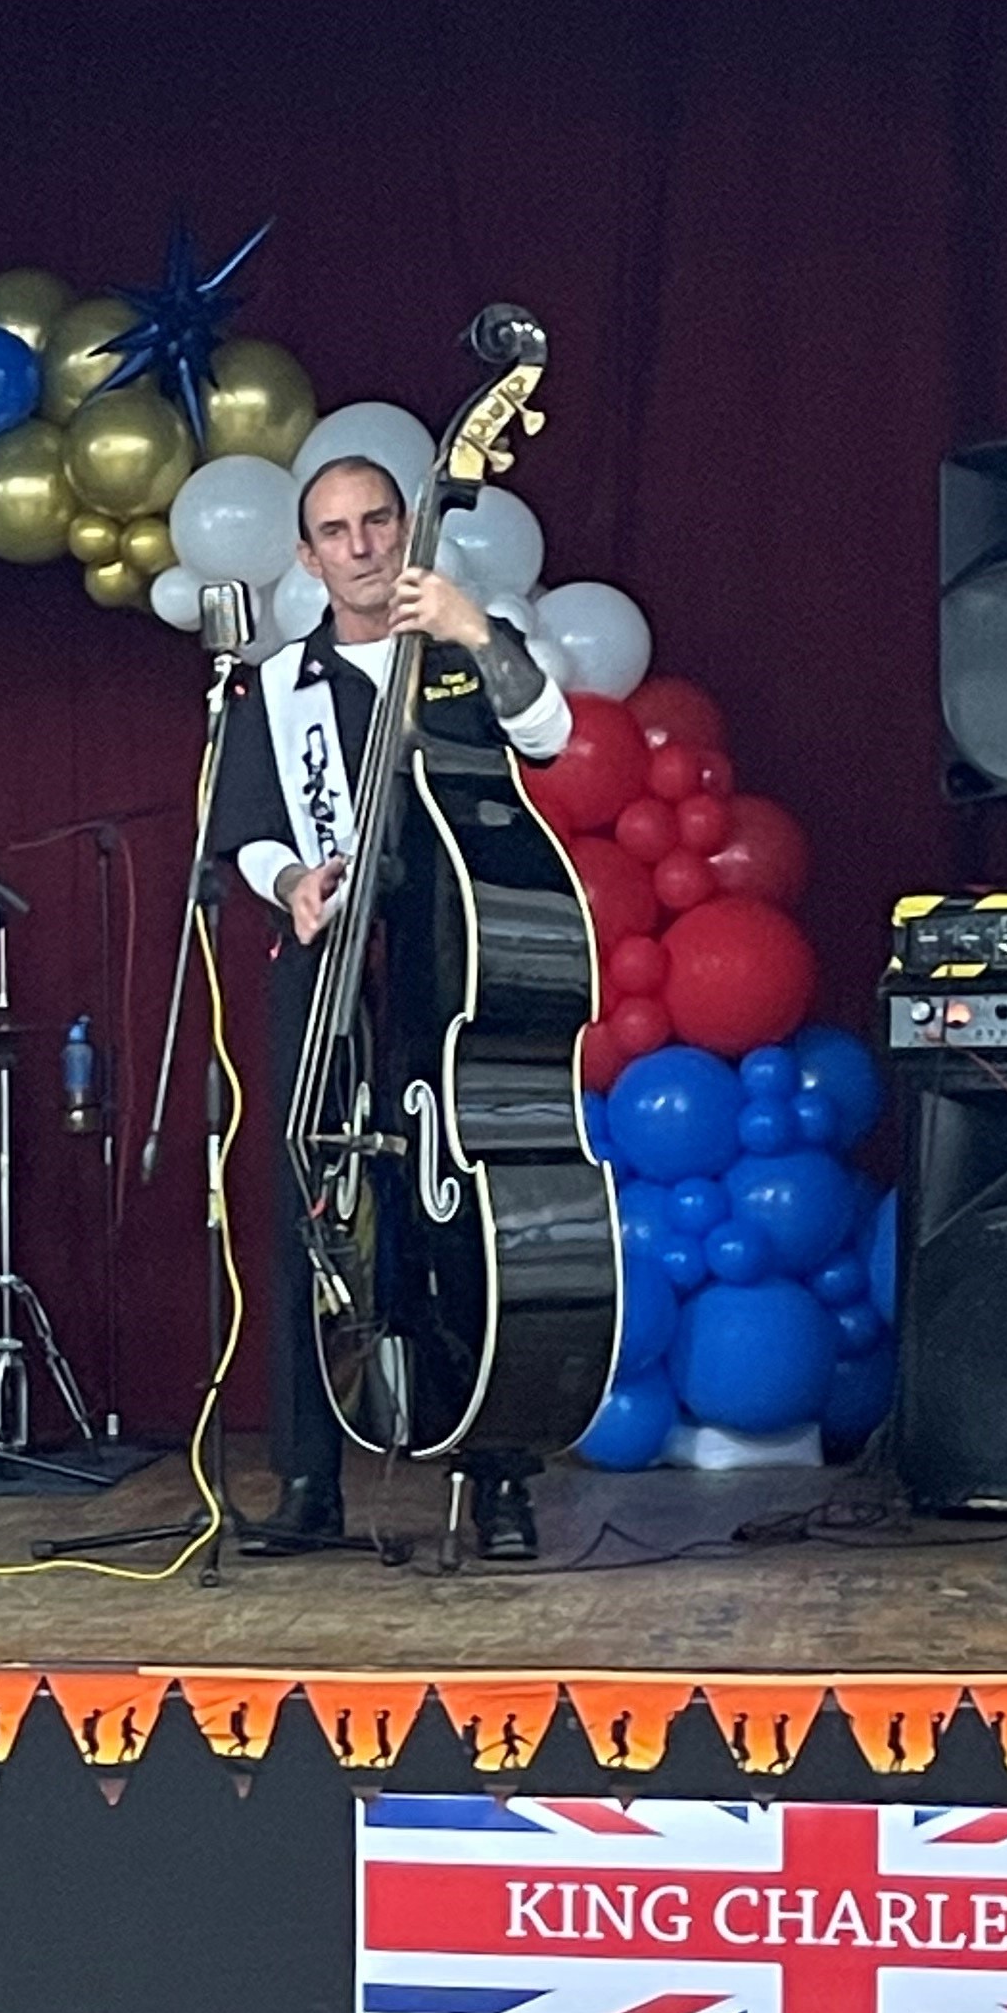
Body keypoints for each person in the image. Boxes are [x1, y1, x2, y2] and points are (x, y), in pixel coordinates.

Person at [207, 456, 574, 1563]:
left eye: (377, 522)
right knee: (312, 1219)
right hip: (327, 973)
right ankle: (311, 1484)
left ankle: (498, 1477)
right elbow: (251, 828)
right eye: (337, 531)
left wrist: (472, 628)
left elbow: (549, 732)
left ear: (406, 530)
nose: (361, 545)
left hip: (456, 972)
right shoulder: (276, 686)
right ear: (309, 557)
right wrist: (290, 883)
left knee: (471, 1227)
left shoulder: (463, 648)